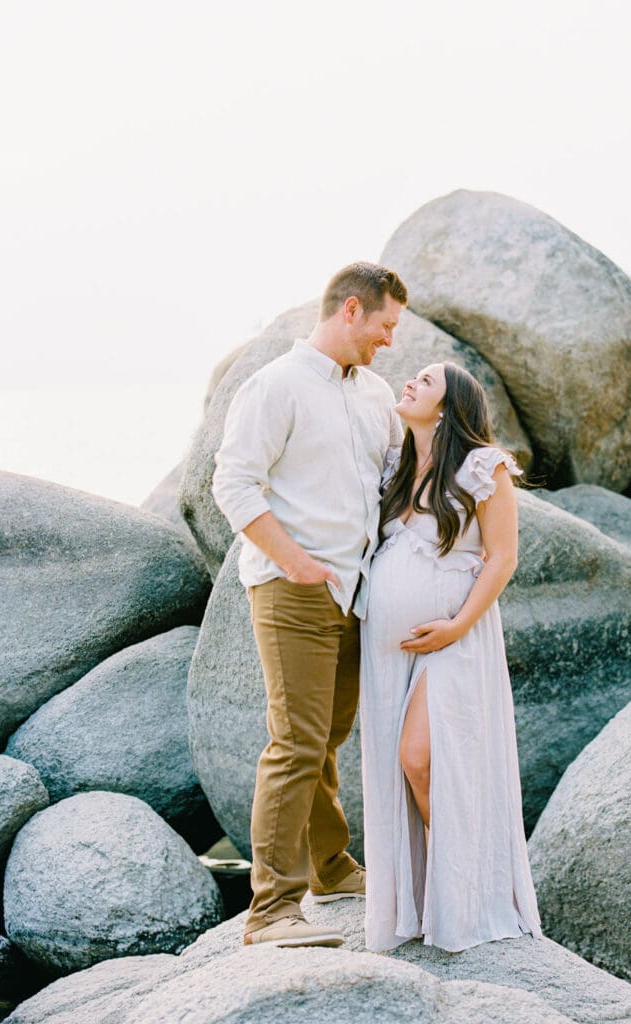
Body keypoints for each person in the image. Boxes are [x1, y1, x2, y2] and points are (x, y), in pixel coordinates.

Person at [211, 261, 407, 948]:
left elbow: (394, 482)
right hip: (292, 589)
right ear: (350, 310)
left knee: (326, 738)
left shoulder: (377, 393)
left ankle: (329, 866)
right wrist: (294, 561)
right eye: (385, 326)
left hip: (357, 591)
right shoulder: (276, 386)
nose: (389, 340)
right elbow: (233, 485)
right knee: (296, 742)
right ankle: (271, 911)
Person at [360, 361, 542, 953]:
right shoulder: (396, 467)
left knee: (421, 757)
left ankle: (466, 891)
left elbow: (501, 558)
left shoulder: (482, 468)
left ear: (447, 407)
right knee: (406, 767)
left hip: (457, 638)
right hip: (391, 651)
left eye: (426, 381)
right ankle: (436, 893)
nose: (409, 382)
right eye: (413, 375)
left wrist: (456, 626)